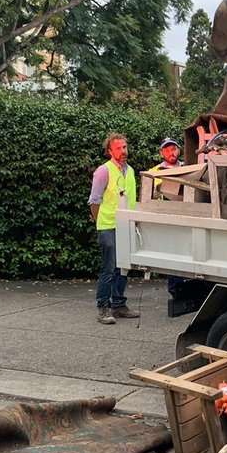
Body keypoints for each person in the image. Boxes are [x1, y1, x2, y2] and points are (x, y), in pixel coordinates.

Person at [89, 133, 139, 325]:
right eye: (118, 148)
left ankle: (118, 305)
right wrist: (98, 222)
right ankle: (102, 307)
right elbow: (94, 200)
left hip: (126, 224)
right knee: (109, 268)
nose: (123, 151)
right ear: (110, 151)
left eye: (125, 147)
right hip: (108, 225)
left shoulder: (131, 171)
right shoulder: (104, 171)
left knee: (123, 267)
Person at [146, 137, 186, 300]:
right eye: (167, 149)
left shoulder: (189, 166)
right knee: (174, 256)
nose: (171, 152)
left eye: (173, 148)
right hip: (168, 220)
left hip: (188, 216)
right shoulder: (154, 172)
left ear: (178, 150)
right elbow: (148, 199)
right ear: (161, 152)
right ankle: (176, 292)